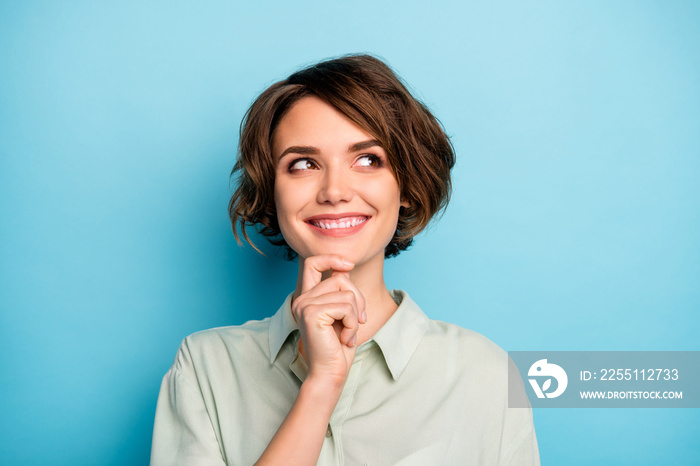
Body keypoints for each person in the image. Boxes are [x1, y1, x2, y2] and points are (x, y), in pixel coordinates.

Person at [150, 54, 539, 466]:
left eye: (368, 160)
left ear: (405, 186)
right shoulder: (204, 367)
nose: (334, 190)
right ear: (273, 193)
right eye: (303, 164)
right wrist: (321, 386)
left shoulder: (485, 375)